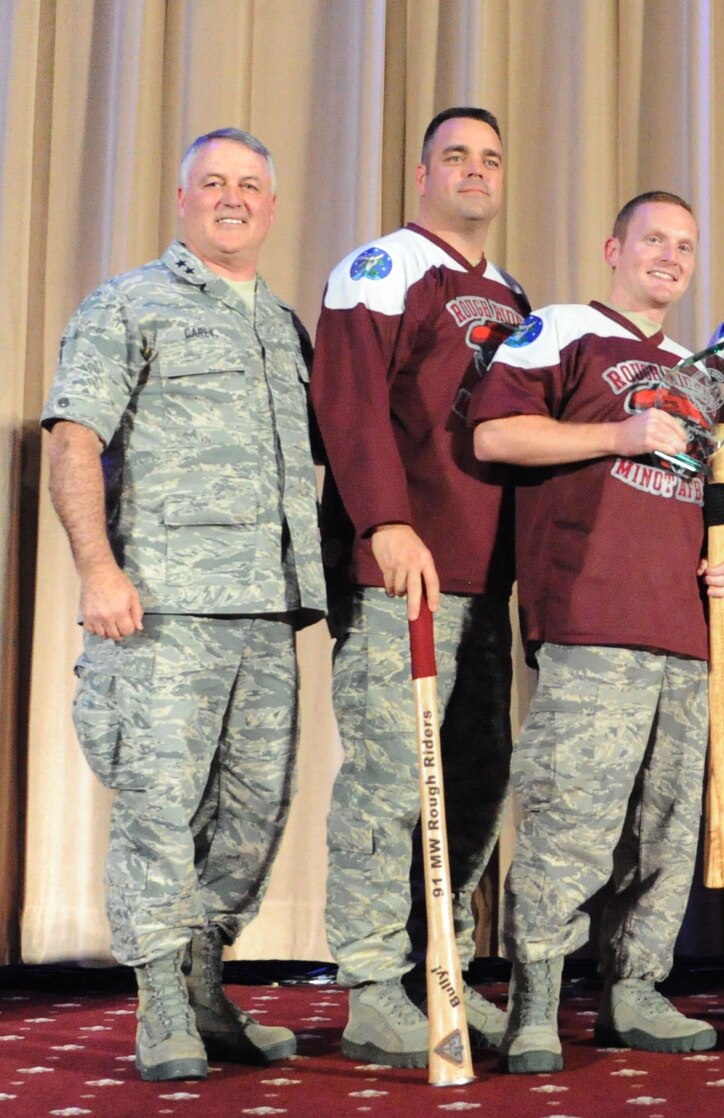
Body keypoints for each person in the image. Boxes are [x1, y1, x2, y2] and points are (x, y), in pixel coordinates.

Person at [43, 128, 321, 1081]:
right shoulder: (130, 303)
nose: (232, 198)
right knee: (160, 810)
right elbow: (73, 438)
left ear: (273, 207)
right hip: (164, 606)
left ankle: (206, 989)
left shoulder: (285, 327)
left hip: (269, 609)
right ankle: (159, 1003)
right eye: (214, 183)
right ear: (183, 198)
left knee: (252, 816)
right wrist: (97, 570)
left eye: (251, 184)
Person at [467, 191, 724, 1072]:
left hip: (686, 626)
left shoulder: (705, 376)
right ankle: (537, 1003)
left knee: (665, 830)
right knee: (572, 817)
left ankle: (635, 992)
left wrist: (723, 565)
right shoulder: (560, 328)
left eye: (685, 246)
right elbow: (496, 435)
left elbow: (708, 498)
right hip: (592, 616)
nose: (669, 256)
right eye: (653, 239)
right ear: (613, 246)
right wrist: (617, 429)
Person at [312, 106, 530, 1066]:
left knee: (476, 784)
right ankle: (369, 984)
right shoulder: (382, 268)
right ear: (422, 172)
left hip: (488, 575)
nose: (475, 173)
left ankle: (436, 968)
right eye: (457, 158)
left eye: (489, 159)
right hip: (402, 568)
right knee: (391, 784)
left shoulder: (514, 294)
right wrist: (385, 521)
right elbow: (348, 401)